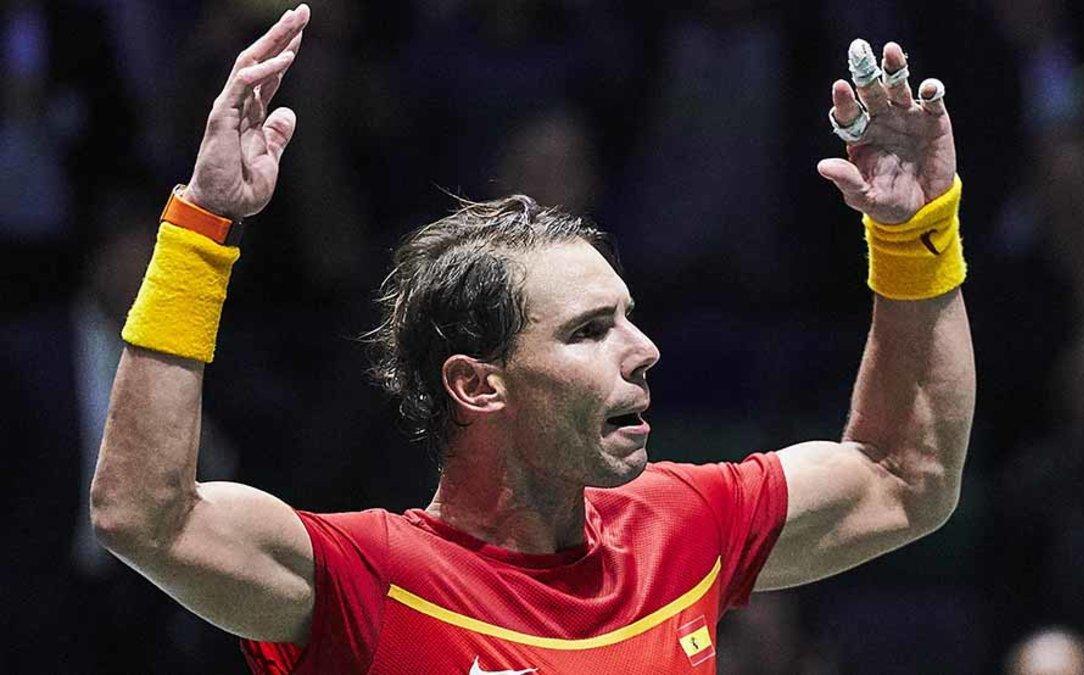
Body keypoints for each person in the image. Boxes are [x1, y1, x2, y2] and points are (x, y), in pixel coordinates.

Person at [89, 5, 975, 673]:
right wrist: (201, 226)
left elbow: (907, 476)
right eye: (592, 330)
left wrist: (913, 234)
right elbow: (145, 514)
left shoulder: (684, 525)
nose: (644, 349)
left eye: (628, 316)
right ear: (479, 384)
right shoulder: (368, 578)